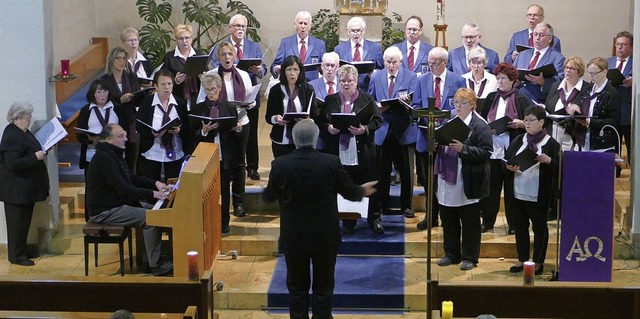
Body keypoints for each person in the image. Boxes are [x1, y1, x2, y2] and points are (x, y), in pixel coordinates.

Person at [262, 119, 377, 319]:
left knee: (297, 287)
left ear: (294, 139)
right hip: (324, 236)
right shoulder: (330, 162)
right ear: (316, 139)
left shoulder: (280, 164)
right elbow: (349, 191)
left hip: (294, 236)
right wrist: (362, 191)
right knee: (324, 287)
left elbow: (268, 197)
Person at [85, 124, 173, 276]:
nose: (126, 139)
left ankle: (146, 260)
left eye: (125, 135)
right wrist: (153, 194)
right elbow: (124, 188)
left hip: (117, 203)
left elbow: (130, 177)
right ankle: (156, 265)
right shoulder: (104, 158)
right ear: (108, 140)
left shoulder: (113, 154)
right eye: (121, 137)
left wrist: (156, 183)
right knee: (151, 219)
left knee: (156, 213)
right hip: (105, 210)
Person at [319, 64, 383, 234]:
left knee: (368, 183)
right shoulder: (330, 100)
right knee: (345, 183)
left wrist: (364, 129)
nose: (346, 84)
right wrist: (329, 128)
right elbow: (321, 121)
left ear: (356, 82)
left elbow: (377, 120)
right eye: (343, 81)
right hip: (339, 149)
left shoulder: (367, 99)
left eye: (350, 81)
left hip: (361, 149)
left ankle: (374, 218)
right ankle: (349, 219)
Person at [435, 88, 492, 271]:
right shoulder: (449, 121)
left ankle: (470, 257)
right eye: (456, 102)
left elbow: (486, 151)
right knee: (448, 218)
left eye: (463, 103)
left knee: (470, 221)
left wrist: (464, 149)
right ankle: (451, 254)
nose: (458, 106)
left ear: (473, 105)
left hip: (468, 178)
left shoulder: (480, 125)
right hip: (448, 177)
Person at [208, 14, 267, 181]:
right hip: (225, 97)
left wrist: (258, 71)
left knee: (251, 134)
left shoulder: (253, 46)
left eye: (243, 26)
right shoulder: (221, 47)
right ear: (230, 27)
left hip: (247, 97)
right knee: (229, 135)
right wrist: (228, 66)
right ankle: (231, 168)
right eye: (237, 26)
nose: (241, 29)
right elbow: (212, 65)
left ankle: (253, 167)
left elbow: (264, 70)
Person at [412, 46, 466, 229]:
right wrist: (427, 117)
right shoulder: (422, 80)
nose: (432, 66)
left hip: (448, 138)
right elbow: (417, 105)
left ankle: (447, 216)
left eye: (435, 63)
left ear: (445, 62)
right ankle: (431, 215)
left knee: (446, 178)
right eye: (429, 63)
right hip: (425, 136)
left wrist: (442, 117)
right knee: (428, 180)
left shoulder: (458, 80)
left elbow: (462, 106)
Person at [198, 42, 253, 218]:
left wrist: (249, 104)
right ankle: (220, 204)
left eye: (230, 54)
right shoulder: (212, 75)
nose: (227, 57)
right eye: (223, 54)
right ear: (218, 57)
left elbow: (251, 97)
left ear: (235, 56)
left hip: (241, 122)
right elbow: (201, 99)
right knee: (223, 166)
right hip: (219, 125)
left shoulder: (243, 75)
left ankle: (239, 203)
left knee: (239, 163)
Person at [505, 106, 560, 276]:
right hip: (517, 192)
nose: (527, 123)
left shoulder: (551, 144)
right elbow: (507, 159)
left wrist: (549, 160)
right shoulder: (519, 140)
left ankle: (538, 261)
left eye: (531, 120)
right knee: (520, 227)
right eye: (525, 120)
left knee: (539, 228)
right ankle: (523, 259)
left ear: (542, 122)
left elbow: (561, 169)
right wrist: (509, 166)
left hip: (538, 195)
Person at [479, 63, 530, 235]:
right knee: (491, 188)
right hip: (493, 147)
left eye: (503, 79)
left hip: (511, 147)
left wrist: (521, 123)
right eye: (498, 78)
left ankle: (514, 224)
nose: (500, 82)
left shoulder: (521, 98)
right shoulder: (491, 97)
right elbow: (482, 119)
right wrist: (488, 127)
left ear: (513, 81)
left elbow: (531, 122)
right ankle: (488, 221)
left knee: (511, 189)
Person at [368, 46, 417, 218]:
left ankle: (407, 205)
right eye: (388, 61)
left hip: (403, 129)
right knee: (382, 171)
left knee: (406, 171)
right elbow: (370, 99)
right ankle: (382, 204)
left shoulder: (411, 77)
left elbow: (415, 101)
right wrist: (378, 107)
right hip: (383, 129)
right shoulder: (376, 76)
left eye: (394, 62)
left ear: (400, 62)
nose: (390, 65)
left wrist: (408, 101)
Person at [191, 73, 241, 233]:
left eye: (213, 89)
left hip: (225, 154)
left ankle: (224, 222)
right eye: (207, 90)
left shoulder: (230, 107)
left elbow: (234, 134)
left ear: (220, 88)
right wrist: (204, 131)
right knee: (206, 191)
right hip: (206, 155)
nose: (210, 93)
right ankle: (208, 221)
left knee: (224, 190)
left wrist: (237, 129)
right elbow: (192, 135)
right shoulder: (198, 108)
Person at [0, 102, 49, 266]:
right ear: (16, 118)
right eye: (27, 117)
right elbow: (13, 163)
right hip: (15, 189)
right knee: (16, 225)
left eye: (29, 117)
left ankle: (21, 250)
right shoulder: (12, 135)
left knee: (23, 223)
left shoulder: (23, 132)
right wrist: (35, 157)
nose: (29, 120)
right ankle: (16, 256)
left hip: (24, 188)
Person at [137, 69, 192, 182]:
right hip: (152, 150)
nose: (167, 87)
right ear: (156, 86)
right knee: (152, 185)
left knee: (173, 185)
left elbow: (187, 125)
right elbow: (139, 125)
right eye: (163, 84)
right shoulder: (148, 102)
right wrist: (152, 133)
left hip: (175, 149)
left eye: (169, 83)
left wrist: (179, 130)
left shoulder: (179, 103)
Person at [266, 55, 317, 158]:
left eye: (295, 69)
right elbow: (268, 117)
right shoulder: (275, 90)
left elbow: (314, 115)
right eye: (289, 69)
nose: (292, 73)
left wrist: (308, 120)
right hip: (281, 138)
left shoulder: (308, 89)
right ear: (284, 72)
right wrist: (275, 118)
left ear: (300, 72)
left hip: (302, 139)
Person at [100, 46, 142, 171]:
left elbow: (137, 100)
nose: (122, 61)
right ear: (111, 60)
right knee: (114, 163)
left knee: (131, 164)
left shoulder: (131, 77)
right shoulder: (104, 80)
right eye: (118, 58)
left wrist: (141, 94)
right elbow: (102, 103)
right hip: (113, 123)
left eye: (124, 58)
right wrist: (120, 101)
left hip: (130, 122)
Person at [570, 57, 621, 152]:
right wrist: (575, 107)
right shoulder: (588, 89)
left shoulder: (612, 93)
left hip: (601, 144)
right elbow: (577, 103)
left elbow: (614, 121)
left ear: (605, 72)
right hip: (583, 140)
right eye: (589, 73)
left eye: (594, 73)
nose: (591, 76)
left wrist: (590, 122)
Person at [76, 78, 127, 170]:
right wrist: (89, 139)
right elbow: (79, 135)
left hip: (114, 153)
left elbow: (124, 129)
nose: (102, 95)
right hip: (92, 153)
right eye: (99, 92)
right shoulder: (86, 110)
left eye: (105, 91)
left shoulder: (117, 108)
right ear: (93, 94)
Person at [544, 56, 593, 151]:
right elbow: (549, 106)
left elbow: (585, 111)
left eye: (572, 68)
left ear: (579, 72)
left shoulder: (587, 88)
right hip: (553, 130)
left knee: (568, 162)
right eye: (566, 67)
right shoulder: (556, 86)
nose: (568, 70)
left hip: (573, 133)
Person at [513, 23, 565, 104]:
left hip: (539, 101)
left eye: (541, 35)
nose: (537, 38)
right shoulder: (522, 54)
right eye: (535, 34)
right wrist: (514, 81)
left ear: (550, 38)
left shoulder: (558, 58)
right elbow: (512, 72)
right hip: (517, 97)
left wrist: (543, 82)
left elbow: (561, 82)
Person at [271, 11, 327, 81]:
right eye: (300, 23)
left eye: (305, 24)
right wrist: (276, 69)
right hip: (291, 86)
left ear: (310, 26)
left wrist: (323, 69)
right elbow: (275, 65)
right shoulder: (286, 43)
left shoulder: (319, 44)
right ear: (295, 24)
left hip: (311, 86)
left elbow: (325, 68)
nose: (303, 26)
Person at [334, 16, 384, 91]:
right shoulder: (339, 49)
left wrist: (375, 74)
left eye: (358, 30)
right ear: (348, 32)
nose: (355, 34)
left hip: (368, 90)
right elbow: (335, 71)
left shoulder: (375, 48)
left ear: (363, 31)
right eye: (353, 30)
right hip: (347, 90)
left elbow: (382, 70)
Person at [161, 24, 206, 108]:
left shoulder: (199, 55)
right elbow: (163, 80)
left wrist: (203, 77)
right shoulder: (169, 58)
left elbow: (209, 78)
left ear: (191, 38)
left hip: (198, 100)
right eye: (181, 38)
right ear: (176, 40)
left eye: (187, 38)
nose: (184, 41)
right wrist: (176, 80)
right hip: (177, 99)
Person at [608, 31, 633, 165]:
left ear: (631, 47)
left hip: (628, 109)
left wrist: (634, 82)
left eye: (624, 44)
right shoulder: (608, 62)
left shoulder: (636, 62)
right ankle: (615, 171)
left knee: (631, 145)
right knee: (613, 144)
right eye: (618, 44)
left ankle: (634, 175)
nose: (620, 48)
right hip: (612, 110)